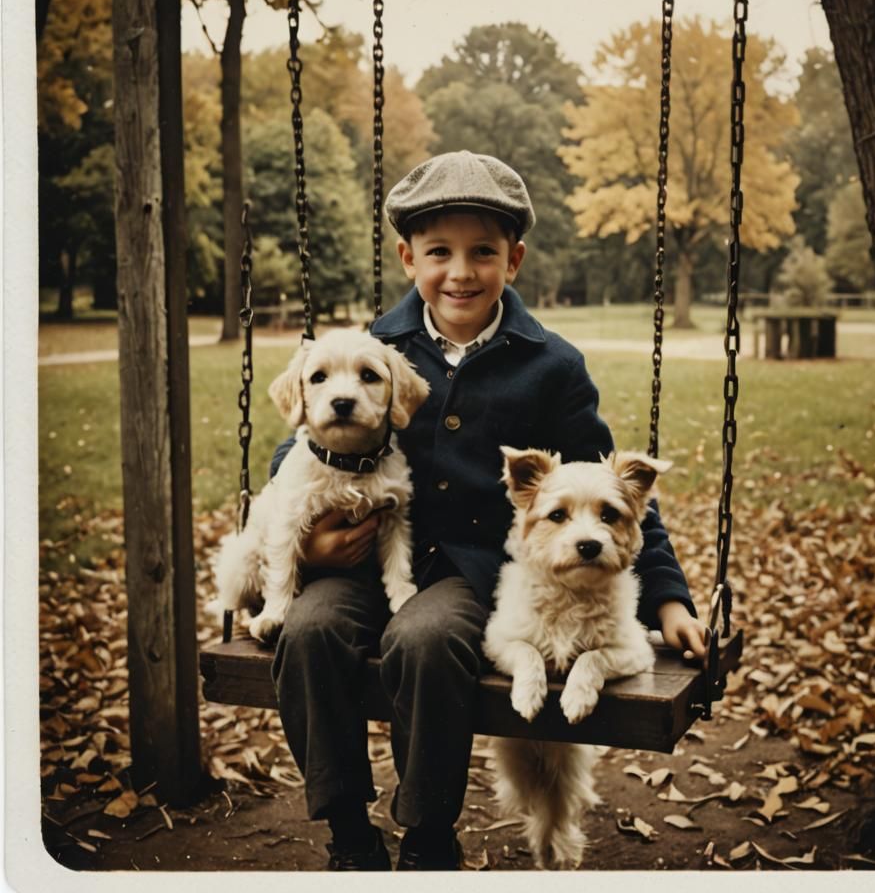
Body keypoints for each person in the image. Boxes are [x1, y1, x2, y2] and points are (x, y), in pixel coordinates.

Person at [269, 150, 707, 871]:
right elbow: (302, 453)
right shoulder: (378, 345)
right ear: (410, 258)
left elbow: (611, 496)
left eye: (483, 253)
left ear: (515, 259)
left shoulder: (550, 365)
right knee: (309, 630)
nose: (460, 272)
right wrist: (311, 548)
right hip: (365, 551)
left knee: (427, 639)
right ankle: (347, 829)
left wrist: (668, 599)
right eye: (439, 252)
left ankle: (427, 834)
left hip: (468, 572)